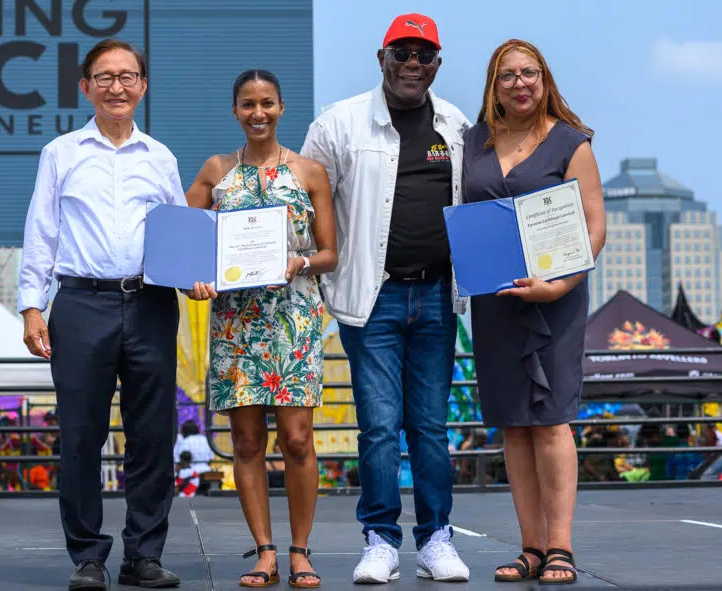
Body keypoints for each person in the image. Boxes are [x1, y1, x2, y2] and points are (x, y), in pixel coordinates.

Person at [300, 13, 471, 583]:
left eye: (424, 56)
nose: (413, 65)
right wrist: (308, 272)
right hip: (371, 300)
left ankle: (436, 539)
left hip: (438, 296)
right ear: (382, 59)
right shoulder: (339, 123)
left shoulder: (457, 126)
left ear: (438, 65)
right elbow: (302, 207)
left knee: (428, 425)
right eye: (402, 53)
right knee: (377, 426)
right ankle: (380, 539)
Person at [17, 38, 186, 591]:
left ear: (143, 86)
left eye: (128, 76)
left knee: (153, 438)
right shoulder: (60, 153)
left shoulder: (161, 157)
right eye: (105, 76)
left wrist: (197, 274)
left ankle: (144, 555)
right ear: (86, 86)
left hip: (152, 304)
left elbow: (179, 234)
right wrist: (31, 307)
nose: (117, 86)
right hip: (80, 303)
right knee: (82, 437)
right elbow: (41, 234)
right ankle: (88, 556)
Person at [462, 38, 607, 584]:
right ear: (493, 87)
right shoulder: (473, 142)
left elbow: (595, 227)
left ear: (544, 79)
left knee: (550, 421)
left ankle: (561, 547)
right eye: (508, 75)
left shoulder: (572, 142)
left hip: (555, 301)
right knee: (512, 425)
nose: (520, 83)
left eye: (530, 73)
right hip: (495, 298)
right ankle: (530, 548)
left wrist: (559, 285)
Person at [185, 68, 337, 589]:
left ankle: (300, 551)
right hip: (235, 322)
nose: (258, 113)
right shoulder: (215, 172)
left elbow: (330, 253)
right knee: (246, 442)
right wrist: (192, 283)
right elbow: (181, 243)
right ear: (235, 111)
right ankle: (265, 553)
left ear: (281, 107)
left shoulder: (309, 172)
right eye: (248, 105)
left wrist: (301, 263)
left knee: (297, 440)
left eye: (267, 103)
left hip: (292, 319)